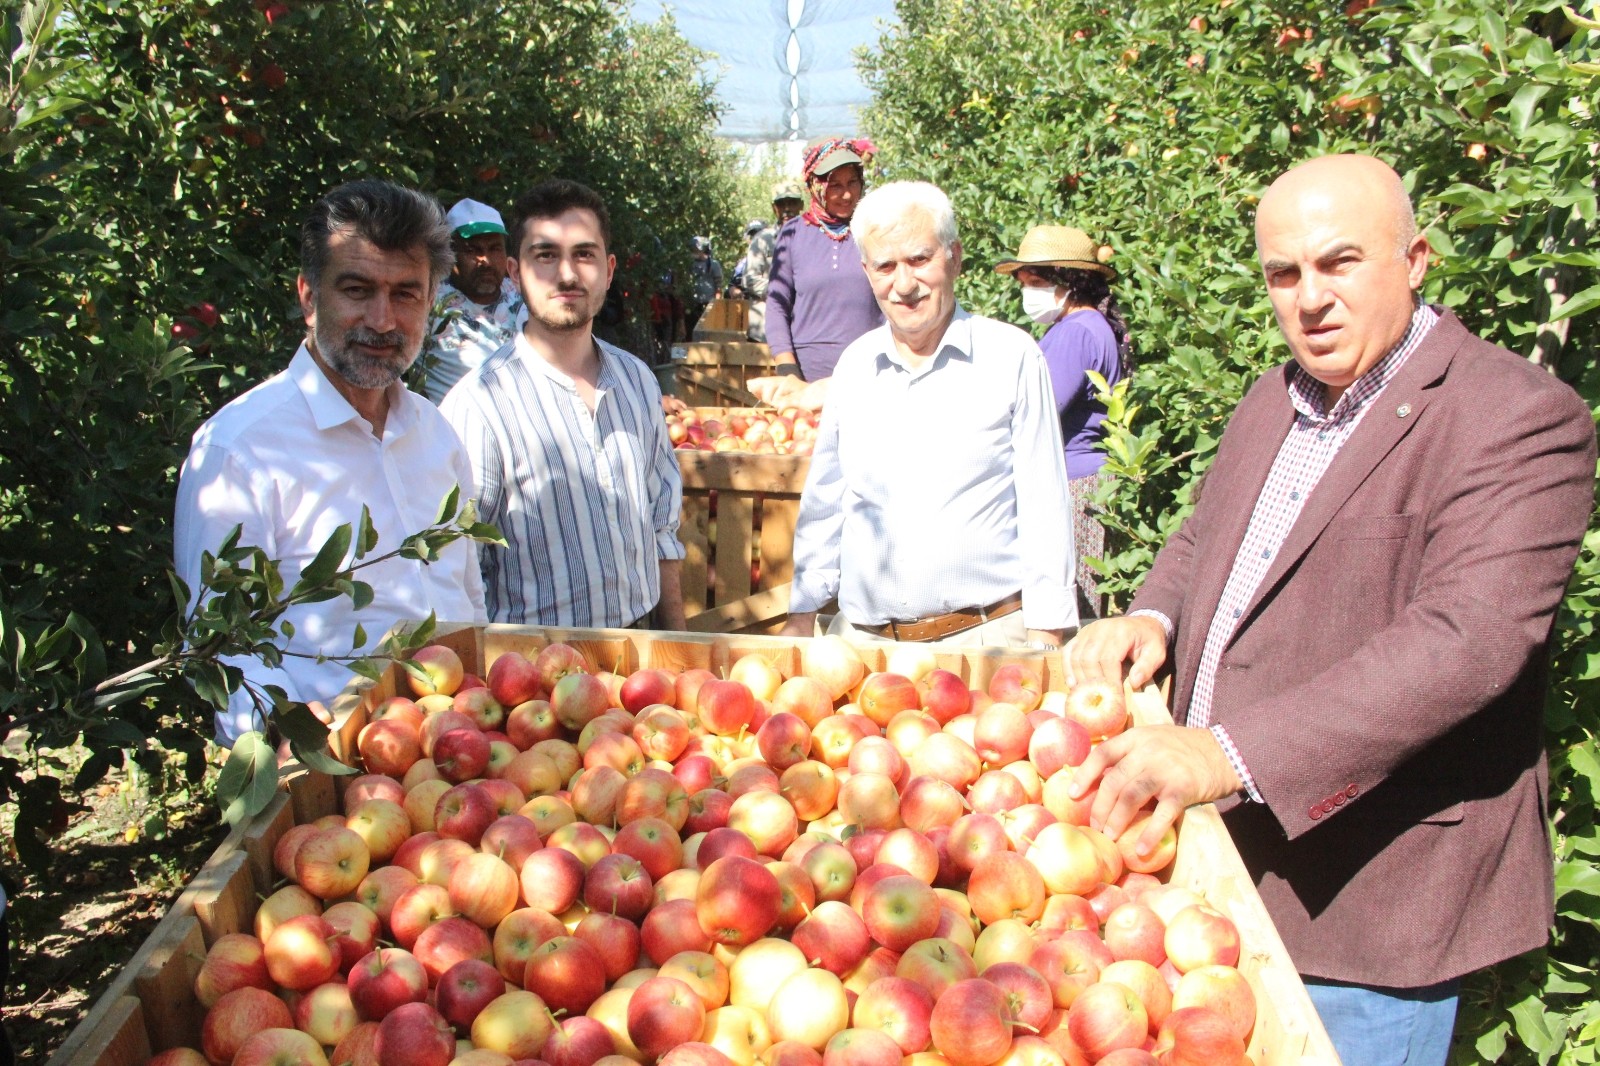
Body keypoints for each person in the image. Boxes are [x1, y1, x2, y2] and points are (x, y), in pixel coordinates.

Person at [1065, 154, 1596, 1065]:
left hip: (1366, 905)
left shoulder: (1514, 415)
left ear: (1416, 258)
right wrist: (1150, 618)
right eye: (1284, 273)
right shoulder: (1274, 400)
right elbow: (1207, 539)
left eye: (1340, 262)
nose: (1310, 297)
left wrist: (1227, 753)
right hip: (1214, 866)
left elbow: (1465, 644)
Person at [174, 180, 487, 745]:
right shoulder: (240, 451)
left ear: (432, 301)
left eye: (406, 294)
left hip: (462, 754)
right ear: (308, 295)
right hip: (324, 783)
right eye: (357, 289)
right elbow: (216, 649)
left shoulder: (437, 436)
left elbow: (467, 596)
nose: (384, 319)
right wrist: (286, 729)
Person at [782, 181, 1078, 650]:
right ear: (867, 271)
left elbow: (1044, 503)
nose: (904, 285)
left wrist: (1046, 633)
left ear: (954, 256)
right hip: (866, 647)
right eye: (885, 266)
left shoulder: (1010, 357)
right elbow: (826, 501)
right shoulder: (856, 368)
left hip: (987, 642)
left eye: (920, 260)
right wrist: (801, 614)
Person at [441, 178, 687, 630]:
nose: (567, 274)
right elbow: (459, 569)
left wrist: (679, 649)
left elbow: (661, 527)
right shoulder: (479, 406)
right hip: (535, 676)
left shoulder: (637, 382)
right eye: (546, 255)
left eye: (584, 254)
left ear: (609, 270)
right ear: (516, 272)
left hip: (645, 662)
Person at [996, 226, 1128, 620]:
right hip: (1085, 479)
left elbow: (1037, 410)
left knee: (1069, 603)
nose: (1027, 293)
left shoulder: (1076, 333)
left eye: (1035, 283)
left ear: (1069, 282)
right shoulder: (1086, 327)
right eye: (1023, 283)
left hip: (1073, 482)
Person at [761, 136, 885, 391]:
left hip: (868, 379)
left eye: (853, 182)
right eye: (835, 185)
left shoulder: (875, 231)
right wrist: (787, 371)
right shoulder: (793, 233)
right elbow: (777, 304)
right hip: (806, 380)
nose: (847, 194)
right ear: (815, 185)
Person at [416, 199, 525, 403]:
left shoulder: (525, 297)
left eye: (494, 249)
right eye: (472, 250)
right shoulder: (429, 303)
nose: (485, 260)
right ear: (449, 255)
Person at [743, 181, 805, 343]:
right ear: (774, 208)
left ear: (801, 205)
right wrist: (782, 291)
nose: (787, 209)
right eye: (781, 204)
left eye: (792, 202)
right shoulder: (762, 240)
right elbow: (750, 279)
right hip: (764, 329)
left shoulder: (813, 238)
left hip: (804, 328)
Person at [684, 236, 724, 340]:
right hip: (691, 305)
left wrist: (716, 304)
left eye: (696, 249)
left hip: (708, 305)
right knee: (690, 333)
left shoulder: (713, 265)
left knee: (707, 334)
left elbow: (719, 286)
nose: (693, 251)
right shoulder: (688, 265)